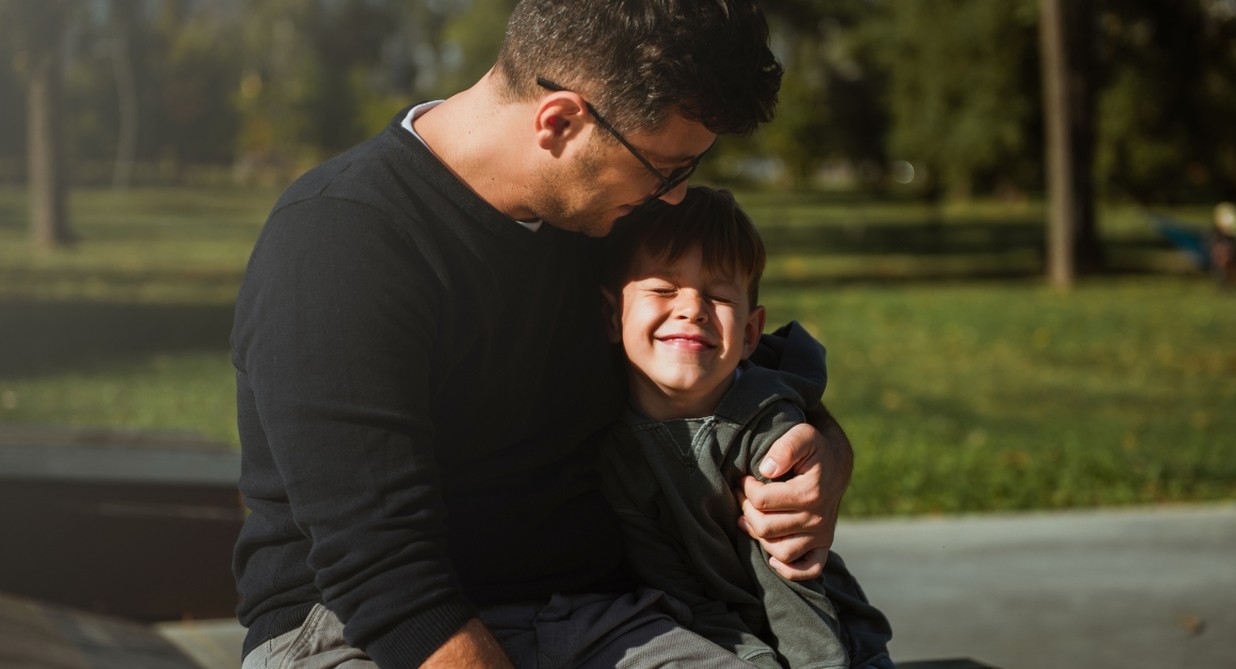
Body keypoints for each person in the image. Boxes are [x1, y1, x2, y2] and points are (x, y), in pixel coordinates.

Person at [231, 1, 856, 667]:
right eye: (666, 169)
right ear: (559, 123)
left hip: (590, 615)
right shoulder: (339, 241)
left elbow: (737, 376)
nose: (674, 196)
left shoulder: (601, 217)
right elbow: (387, 580)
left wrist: (825, 454)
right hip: (356, 628)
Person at [597, 187, 895, 669]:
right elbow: (671, 586)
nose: (692, 308)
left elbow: (792, 577)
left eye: (716, 294)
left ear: (751, 334)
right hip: (714, 642)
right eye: (664, 288)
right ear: (613, 315)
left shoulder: (764, 428)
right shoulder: (616, 446)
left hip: (829, 642)